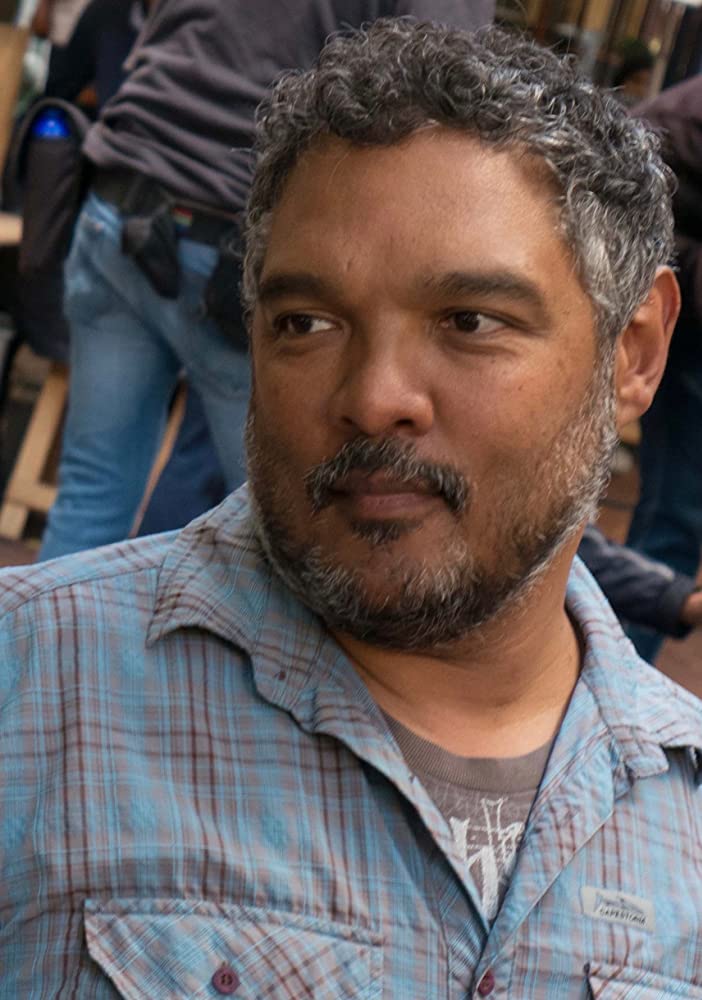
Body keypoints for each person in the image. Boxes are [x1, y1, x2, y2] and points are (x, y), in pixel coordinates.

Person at [1, 20, 699, 996]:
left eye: (469, 322)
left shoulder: (683, 808)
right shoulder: (29, 693)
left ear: (634, 353)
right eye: (307, 322)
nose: (375, 397)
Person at [37, 0, 494, 561]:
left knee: (93, 489)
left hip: (122, 197)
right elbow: (445, 108)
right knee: (290, 526)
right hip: (232, 234)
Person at [625, 74, 702, 662]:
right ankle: (616, 676)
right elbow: (622, 216)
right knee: (674, 517)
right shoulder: (675, 126)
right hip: (687, 332)